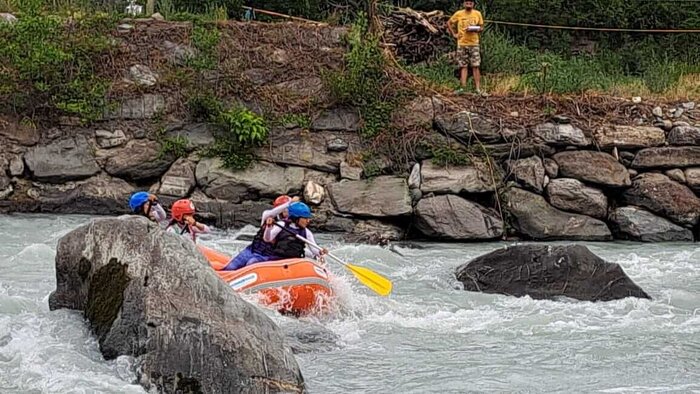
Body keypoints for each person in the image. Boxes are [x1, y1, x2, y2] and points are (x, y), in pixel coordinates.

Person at [222, 195, 300, 271]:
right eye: (286, 209)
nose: (288, 211)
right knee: (230, 267)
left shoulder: (288, 226)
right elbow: (271, 213)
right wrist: (290, 203)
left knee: (251, 263)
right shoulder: (267, 216)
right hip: (251, 250)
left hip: (267, 256)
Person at [446, 0, 488, 96]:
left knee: (476, 66)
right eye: (467, 2)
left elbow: (481, 27)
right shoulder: (459, 13)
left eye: (471, 2)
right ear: (464, 3)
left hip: (474, 43)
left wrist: (476, 29)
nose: (469, 3)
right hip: (462, 43)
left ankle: (478, 89)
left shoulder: (477, 13)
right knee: (463, 66)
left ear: (473, 4)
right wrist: (454, 34)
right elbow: (449, 23)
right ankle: (462, 88)